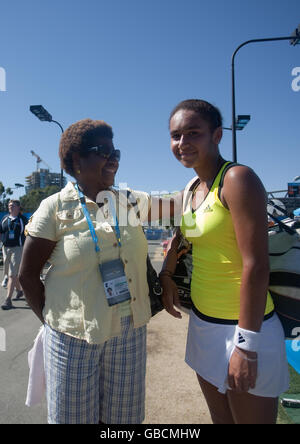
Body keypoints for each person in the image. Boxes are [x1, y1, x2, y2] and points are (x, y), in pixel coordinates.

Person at [18, 118, 173, 424]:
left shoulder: (128, 202)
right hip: (73, 337)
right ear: (76, 161)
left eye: (116, 152)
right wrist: (56, 323)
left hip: (130, 330)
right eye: (102, 151)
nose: (112, 158)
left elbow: (181, 208)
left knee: (124, 420)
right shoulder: (54, 208)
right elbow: (27, 275)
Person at [159, 99, 289, 424]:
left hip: (244, 330)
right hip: (203, 326)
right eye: (176, 135)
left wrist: (246, 346)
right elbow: (181, 239)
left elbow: (256, 265)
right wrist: (166, 274)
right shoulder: (191, 188)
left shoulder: (237, 179)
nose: (183, 143)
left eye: (193, 133)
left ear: (216, 135)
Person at [0, 200, 27, 310]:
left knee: (12, 274)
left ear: (18, 207)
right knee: (9, 273)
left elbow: (28, 233)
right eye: (9, 205)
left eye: (12, 205)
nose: (10, 207)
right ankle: (19, 291)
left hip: (18, 248)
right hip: (6, 248)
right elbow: (1, 232)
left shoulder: (23, 220)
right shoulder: (5, 219)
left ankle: (8, 300)